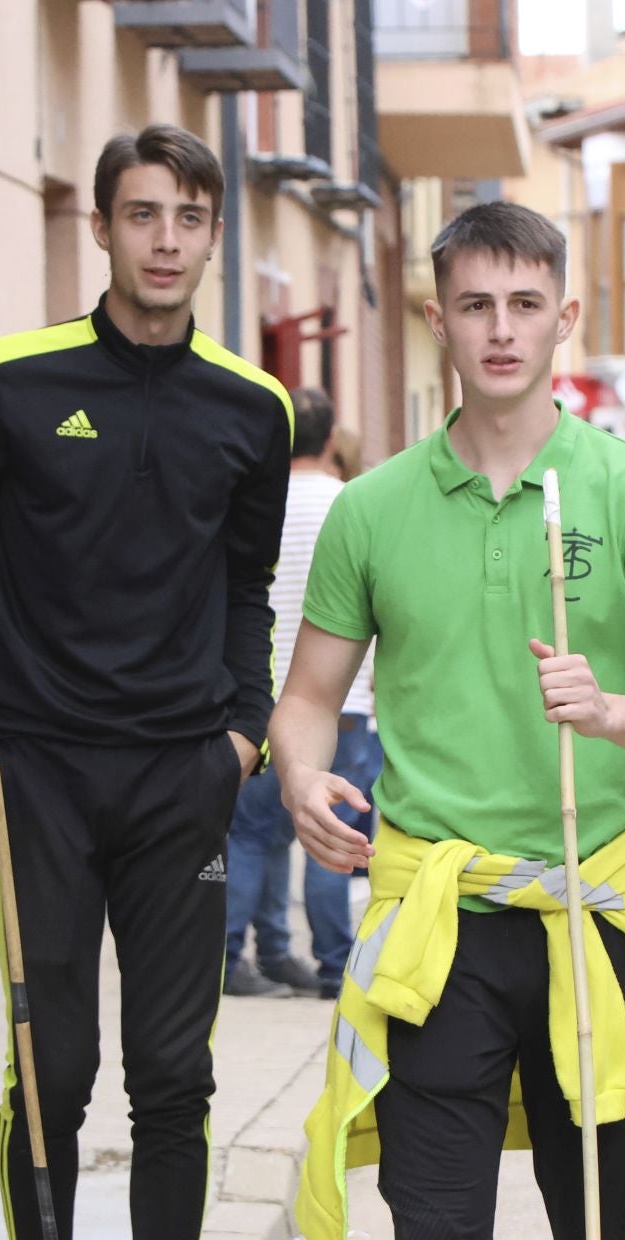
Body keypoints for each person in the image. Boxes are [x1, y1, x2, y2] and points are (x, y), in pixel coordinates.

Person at [278, 202, 625, 1240]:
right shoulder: (371, 508)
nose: (501, 328)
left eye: (525, 304)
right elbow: (309, 694)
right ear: (437, 321)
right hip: (439, 920)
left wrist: (610, 711)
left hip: (594, 915)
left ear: (567, 317)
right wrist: (301, 775)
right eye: (475, 305)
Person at [0, 125, 292, 1240]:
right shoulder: (8, 383)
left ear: (214, 234)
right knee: (51, 1069)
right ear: (102, 226)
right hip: (43, 780)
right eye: (142, 214)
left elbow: (246, 587)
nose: (165, 241)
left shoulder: (252, 408)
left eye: (188, 217)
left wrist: (241, 736)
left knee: (174, 1078)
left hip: (184, 780)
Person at [223, 387, 376, 999]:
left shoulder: (257, 504)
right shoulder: (353, 504)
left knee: (253, 834)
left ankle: (246, 955)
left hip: (262, 699)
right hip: (341, 705)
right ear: (332, 440)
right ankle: (335, 966)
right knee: (332, 840)